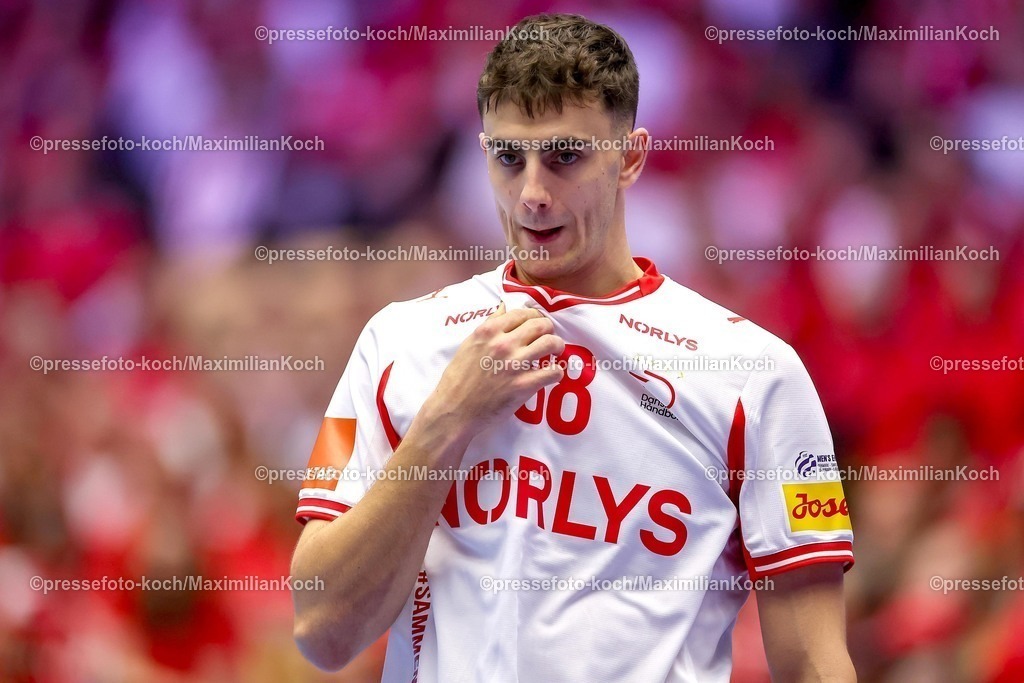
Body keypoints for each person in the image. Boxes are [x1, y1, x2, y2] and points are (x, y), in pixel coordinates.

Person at [291, 13, 856, 682]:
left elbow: (814, 660)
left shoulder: (754, 374)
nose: (532, 193)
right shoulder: (397, 342)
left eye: (565, 157)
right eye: (509, 158)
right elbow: (322, 629)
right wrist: (446, 421)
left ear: (632, 156)